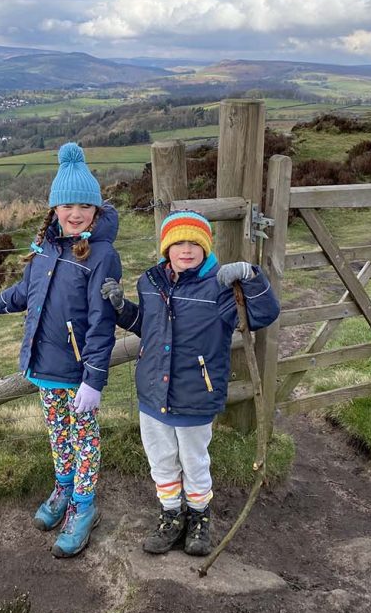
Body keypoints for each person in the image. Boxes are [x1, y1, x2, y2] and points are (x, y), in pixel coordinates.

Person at [101, 210, 279, 557]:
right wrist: (122, 309)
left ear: (205, 247)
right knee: (162, 459)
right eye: (178, 242)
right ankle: (170, 514)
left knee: (194, 461)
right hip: (153, 395)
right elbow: (146, 325)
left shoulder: (221, 289)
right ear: (166, 248)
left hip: (195, 395)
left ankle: (199, 517)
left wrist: (250, 276)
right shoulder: (150, 283)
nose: (186, 249)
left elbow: (264, 314)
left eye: (194, 243)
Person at [0, 143, 121, 558]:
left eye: (83, 205)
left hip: (78, 372)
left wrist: (94, 380)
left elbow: (101, 321)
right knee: (58, 434)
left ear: (95, 210)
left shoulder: (102, 256)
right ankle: (62, 489)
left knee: (84, 438)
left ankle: (83, 506)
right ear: (54, 209)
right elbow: (28, 291)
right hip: (44, 364)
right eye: (66, 205)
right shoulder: (45, 249)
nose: (74, 213)